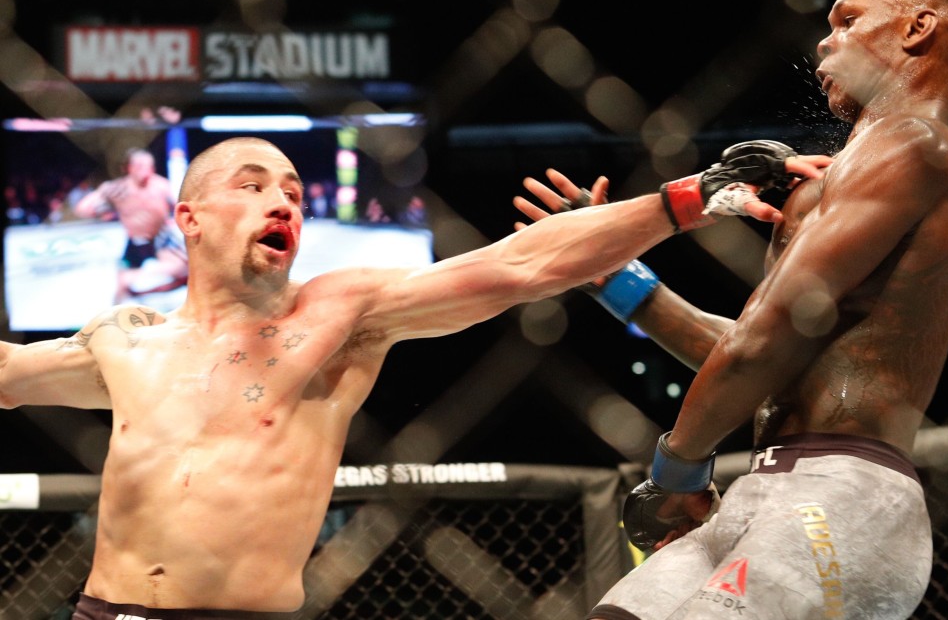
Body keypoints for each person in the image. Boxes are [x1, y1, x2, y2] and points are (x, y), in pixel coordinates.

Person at [0, 135, 825, 618]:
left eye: (291, 189)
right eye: (250, 188)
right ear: (188, 218)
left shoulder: (340, 316)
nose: (280, 201)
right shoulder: (125, 343)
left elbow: (520, 265)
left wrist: (687, 199)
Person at [515, 0, 948, 618]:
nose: (825, 45)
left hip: (844, 497)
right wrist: (612, 271)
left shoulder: (922, 149)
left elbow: (762, 340)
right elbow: (745, 348)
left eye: (847, 22)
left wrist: (675, 471)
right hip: (760, 492)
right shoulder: (833, 177)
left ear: (918, 28)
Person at [74, 147, 189, 302]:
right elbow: (83, 209)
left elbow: (181, 206)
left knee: (184, 270)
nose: (145, 171)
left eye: (149, 166)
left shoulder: (160, 186)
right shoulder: (117, 188)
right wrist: (102, 209)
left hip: (161, 239)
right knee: (121, 285)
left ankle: (147, 295)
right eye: (140, 166)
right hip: (135, 242)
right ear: (129, 168)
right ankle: (115, 318)